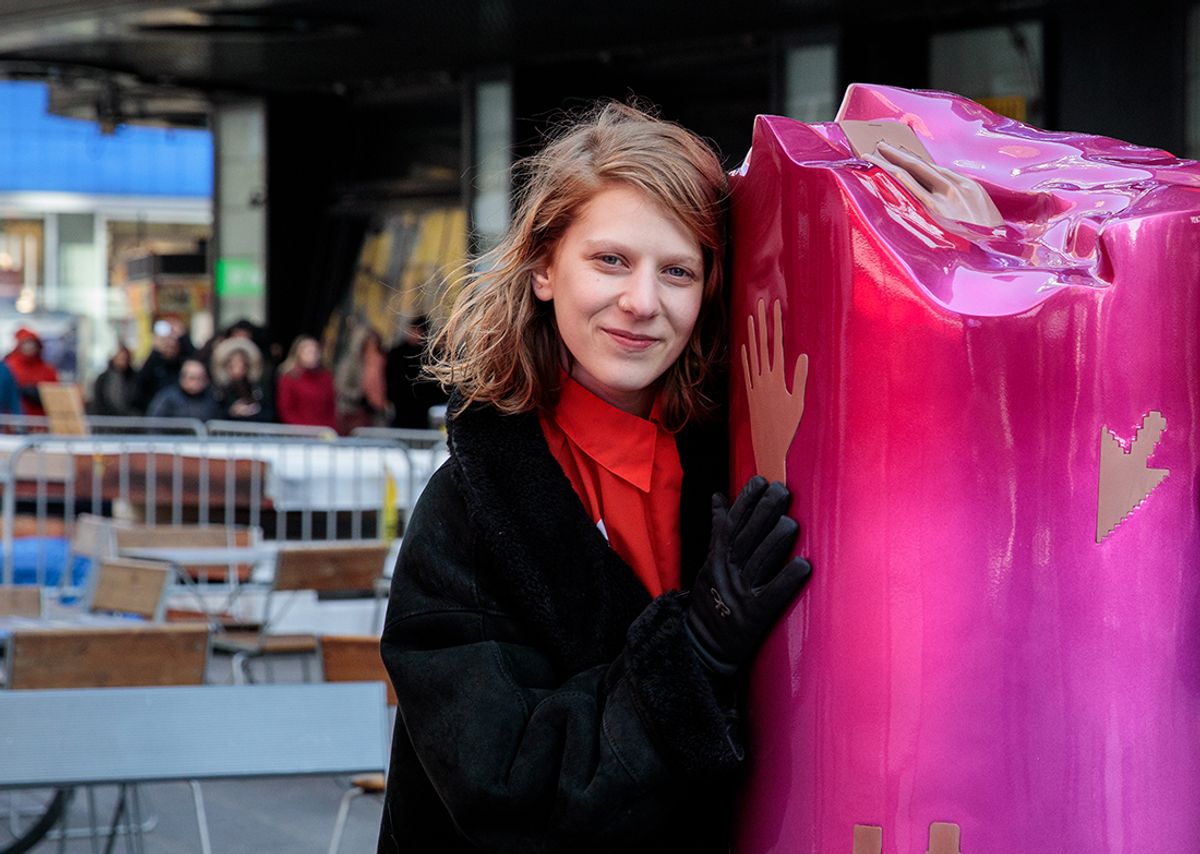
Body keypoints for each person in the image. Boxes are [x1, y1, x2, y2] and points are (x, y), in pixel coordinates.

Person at [377, 102, 813, 854]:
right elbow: (509, 789)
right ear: (545, 267)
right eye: (611, 260)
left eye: (677, 270)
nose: (642, 303)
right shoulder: (466, 512)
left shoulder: (750, 464)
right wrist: (695, 650)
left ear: (708, 289)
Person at [385, 315, 448, 429]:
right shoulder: (397, 353)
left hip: (423, 409)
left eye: (418, 331)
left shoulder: (430, 356)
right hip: (402, 406)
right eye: (412, 330)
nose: (414, 334)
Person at [334, 324, 389, 434]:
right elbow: (340, 386)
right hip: (353, 410)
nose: (372, 346)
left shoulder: (384, 361)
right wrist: (359, 396)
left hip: (378, 411)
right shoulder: (351, 362)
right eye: (369, 342)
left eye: (375, 342)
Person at [275, 335, 337, 431]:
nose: (312, 355)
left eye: (315, 352)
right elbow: (286, 410)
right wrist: (303, 430)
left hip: (323, 433)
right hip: (299, 433)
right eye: (308, 352)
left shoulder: (326, 377)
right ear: (298, 354)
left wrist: (330, 429)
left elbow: (331, 408)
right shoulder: (289, 378)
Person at [210, 335, 274, 422]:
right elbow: (213, 415)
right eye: (233, 365)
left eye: (241, 365)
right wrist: (232, 412)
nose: (237, 369)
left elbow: (269, 413)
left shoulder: (257, 389)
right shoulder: (219, 390)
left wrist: (254, 411)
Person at [145, 357, 219, 421]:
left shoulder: (211, 399)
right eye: (192, 378)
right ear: (182, 378)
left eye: (201, 378)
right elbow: (154, 423)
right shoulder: (167, 398)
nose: (197, 382)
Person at [5, 327, 58, 416]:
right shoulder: (8, 366)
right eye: (25, 343)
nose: (29, 347)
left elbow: (55, 395)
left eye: (32, 343)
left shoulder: (47, 369)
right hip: (13, 418)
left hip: (40, 419)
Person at [133, 320, 184, 414]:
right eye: (167, 346)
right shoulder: (154, 363)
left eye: (173, 346)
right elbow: (141, 383)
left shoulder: (181, 364)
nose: (170, 349)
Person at [89, 345, 138, 417]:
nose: (122, 361)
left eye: (124, 359)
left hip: (128, 419)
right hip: (107, 419)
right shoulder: (103, 379)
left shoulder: (134, 377)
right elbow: (99, 401)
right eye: (120, 358)